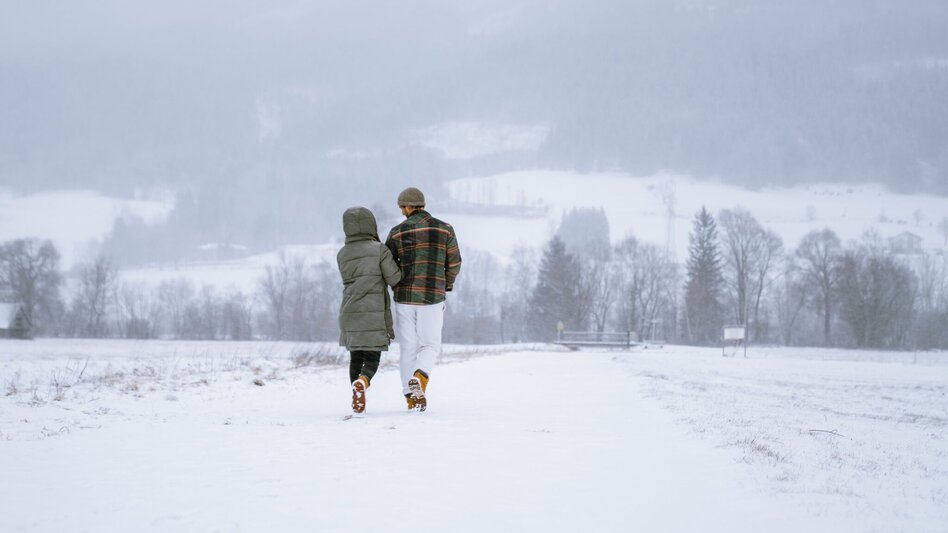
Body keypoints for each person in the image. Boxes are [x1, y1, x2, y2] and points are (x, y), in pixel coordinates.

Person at [385, 187, 462, 411]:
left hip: (404, 297)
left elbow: (388, 265)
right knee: (430, 344)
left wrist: (396, 284)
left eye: (402, 207)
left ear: (407, 207)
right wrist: (445, 284)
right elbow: (455, 262)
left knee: (408, 347)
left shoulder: (397, 232)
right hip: (432, 296)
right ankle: (420, 376)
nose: (401, 211)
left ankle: (410, 397)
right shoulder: (445, 229)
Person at [337, 206, 402, 414]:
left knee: (356, 357)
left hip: (349, 311)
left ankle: (356, 396)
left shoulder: (342, 253)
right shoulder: (379, 250)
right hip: (373, 311)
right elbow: (394, 278)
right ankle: (363, 381)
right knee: (372, 357)